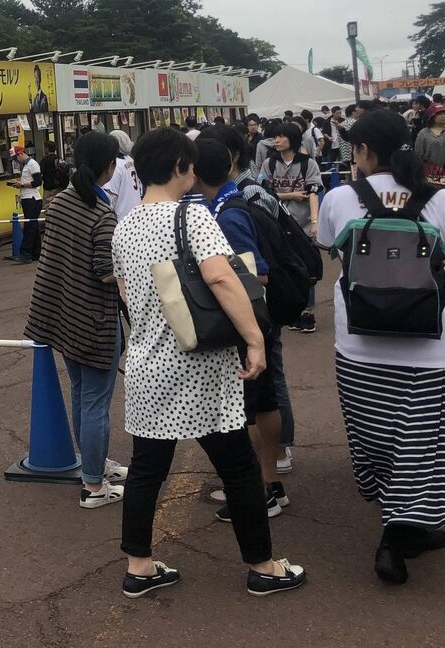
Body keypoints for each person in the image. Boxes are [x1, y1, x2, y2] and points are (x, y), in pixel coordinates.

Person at [111, 127, 305, 598]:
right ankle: (263, 566)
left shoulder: (125, 225)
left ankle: (139, 566)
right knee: (238, 466)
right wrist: (254, 338)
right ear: (180, 166)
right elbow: (220, 277)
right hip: (200, 367)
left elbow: (125, 290)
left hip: (147, 364)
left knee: (146, 469)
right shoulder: (191, 216)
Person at [317, 109, 445, 584]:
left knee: (373, 436)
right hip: (428, 350)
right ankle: (403, 531)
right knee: (421, 443)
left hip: (359, 347)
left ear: (365, 150)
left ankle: (396, 522)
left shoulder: (339, 198)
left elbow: (332, 250)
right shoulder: (441, 199)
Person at [25, 131, 128, 508]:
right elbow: (105, 272)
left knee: (82, 393)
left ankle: (93, 465)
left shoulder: (61, 202)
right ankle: (94, 487)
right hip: (94, 319)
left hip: (62, 314)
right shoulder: (101, 213)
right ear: (109, 166)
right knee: (96, 402)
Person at [192, 139, 289, 519]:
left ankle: (258, 491)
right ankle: (271, 485)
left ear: (196, 173)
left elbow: (258, 273)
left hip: (247, 322)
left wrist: (219, 280)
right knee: (263, 403)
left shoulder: (227, 214)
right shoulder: (231, 202)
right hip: (258, 320)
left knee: (244, 411)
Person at [266, 122, 322, 331]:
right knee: (285, 268)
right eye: (275, 137)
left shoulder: (308, 164)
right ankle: (292, 310)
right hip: (278, 225)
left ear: (293, 139)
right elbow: (265, 192)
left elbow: (313, 192)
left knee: (307, 268)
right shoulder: (270, 163)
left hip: (303, 225)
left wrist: (315, 222)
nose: (277, 141)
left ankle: (308, 312)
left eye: (281, 136)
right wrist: (291, 195)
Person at [10, 146, 43, 263]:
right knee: (33, 226)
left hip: (32, 198)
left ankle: (25, 252)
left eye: (15, 158)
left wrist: (22, 185)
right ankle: (36, 252)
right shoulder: (26, 165)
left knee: (30, 226)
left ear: (20, 154)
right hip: (28, 198)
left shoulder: (32, 164)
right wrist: (20, 183)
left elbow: (38, 181)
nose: (16, 161)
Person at [105, 130, 143, 222]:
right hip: (136, 213)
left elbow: (111, 196)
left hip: (121, 218)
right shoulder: (131, 160)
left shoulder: (115, 165)